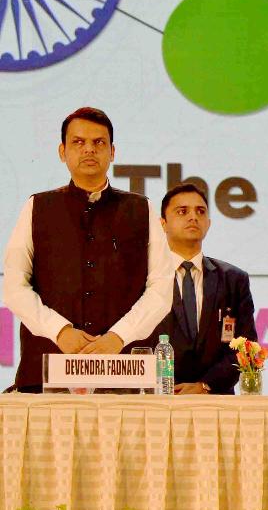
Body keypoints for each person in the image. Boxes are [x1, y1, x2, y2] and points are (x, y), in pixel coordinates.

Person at [3, 108, 174, 392]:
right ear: (62, 152)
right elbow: (14, 286)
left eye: (98, 142)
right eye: (78, 142)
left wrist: (118, 337)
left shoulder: (140, 209)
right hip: (48, 371)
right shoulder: (37, 207)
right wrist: (60, 331)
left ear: (112, 152)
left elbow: (161, 289)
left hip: (122, 372)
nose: (89, 150)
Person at [141, 182, 257, 394]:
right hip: (157, 398)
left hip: (216, 400)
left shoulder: (233, 279)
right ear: (163, 224)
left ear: (208, 223)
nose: (193, 217)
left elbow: (245, 346)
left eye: (200, 211)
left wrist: (205, 386)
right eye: (182, 211)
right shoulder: (143, 277)